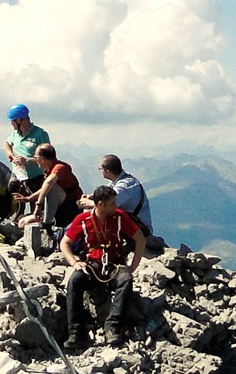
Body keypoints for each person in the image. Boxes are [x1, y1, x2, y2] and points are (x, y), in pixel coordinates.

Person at [60, 185, 144, 349]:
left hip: (114, 264)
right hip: (92, 265)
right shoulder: (83, 220)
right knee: (75, 282)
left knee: (126, 279)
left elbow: (140, 239)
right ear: (100, 205)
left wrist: (132, 267)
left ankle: (112, 327)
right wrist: (74, 262)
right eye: (112, 203)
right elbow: (65, 243)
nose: (116, 206)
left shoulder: (120, 217)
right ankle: (76, 333)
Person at [14, 144, 83, 235]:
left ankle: (46, 224)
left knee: (51, 186)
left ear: (42, 158)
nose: (35, 159)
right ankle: (47, 222)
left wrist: (38, 205)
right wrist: (28, 199)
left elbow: (49, 184)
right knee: (22, 222)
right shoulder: (50, 170)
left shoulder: (60, 168)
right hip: (59, 209)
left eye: (36, 157)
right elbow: (44, 188)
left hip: (72, 209)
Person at [89, 154, 152, 236]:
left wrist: (86, 202)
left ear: (107, 171)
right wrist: (90, 197)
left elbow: (106, 204)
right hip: (131, 224)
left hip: (140, 228)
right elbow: (106, 194)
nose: (100, 171)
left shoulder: (125, 186)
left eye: (100, 169)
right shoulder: (118, 180)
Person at [2, 104, 51, 197]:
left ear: (19, 120)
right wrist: (11, 155)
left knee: (36, 207)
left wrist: (27, 160)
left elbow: (48, 159)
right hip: (17, 176)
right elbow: (7, 144)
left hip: (36, 178)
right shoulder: (15, 134)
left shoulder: (40, 134)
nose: (11, 124)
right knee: (15, 206)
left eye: (12, 121)